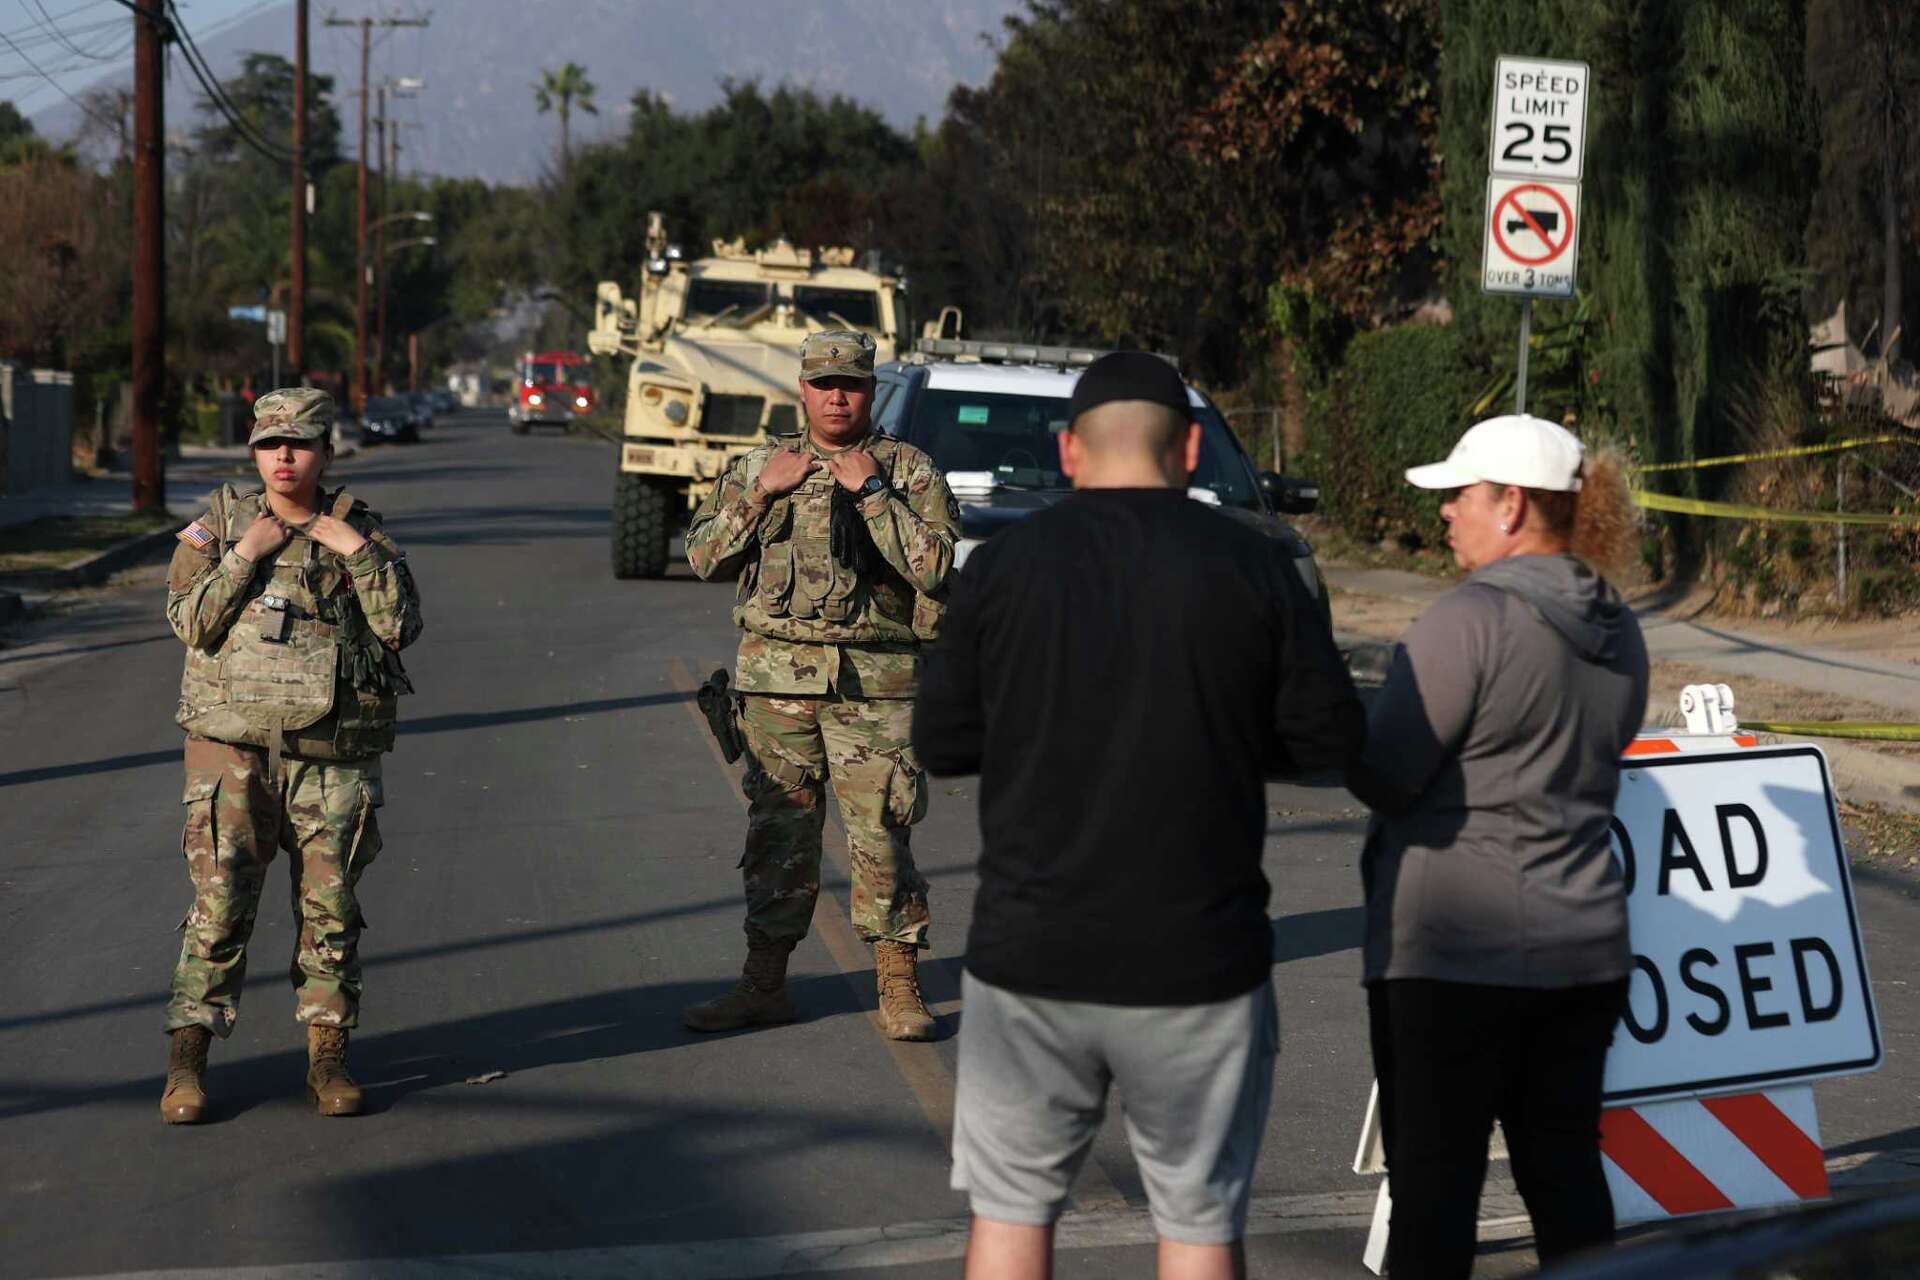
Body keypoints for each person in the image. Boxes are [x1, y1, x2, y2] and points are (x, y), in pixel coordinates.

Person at [913, 351, 1366, 1280]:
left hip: (1030, 955)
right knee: (1197, 1225)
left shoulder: (1002, 567)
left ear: (1070, 451)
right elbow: (1329, 741)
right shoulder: (1259, 565)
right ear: (1192, 447)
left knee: (1009, 1220)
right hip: (1199, 960)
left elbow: (943, 742)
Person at [1344, 414, 1648, 1278]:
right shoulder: (1616, 626)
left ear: (1511, 505)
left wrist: (1332, 716)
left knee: (1435, 1194)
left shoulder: (1468, 619)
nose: (1445, 513)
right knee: (1566, 1177)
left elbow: (1388, 772)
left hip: (1452, 955)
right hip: (1583, 947)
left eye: (1459, 496)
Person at [683, 329, 960, 1041]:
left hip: (876, 682)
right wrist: (761, 493)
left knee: (881, 836)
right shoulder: (759, 465)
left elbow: (934, 570)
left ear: (872, 389)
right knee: (779, 834)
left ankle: (898, 984)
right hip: (777, 684)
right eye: (824, 382)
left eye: (853, 383)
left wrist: (869, 491)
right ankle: (763, 983)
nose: (838, 395)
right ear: (802, 388)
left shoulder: (907, 470)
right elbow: (704, 558)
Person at [160, 388, 423, 1124]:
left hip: (330, 752)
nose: (284, 456)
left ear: (326, 452)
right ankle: (187, 1062)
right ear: (252, 450)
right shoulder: (219, 524)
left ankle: (328, 1057)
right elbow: (189, 622)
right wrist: (247, 553)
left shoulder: (361, 530)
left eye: (300, 443)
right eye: (270, 442)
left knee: (331, 910)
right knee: (218, 908)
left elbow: (402, 626)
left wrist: (355, 552)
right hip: (232, 748)